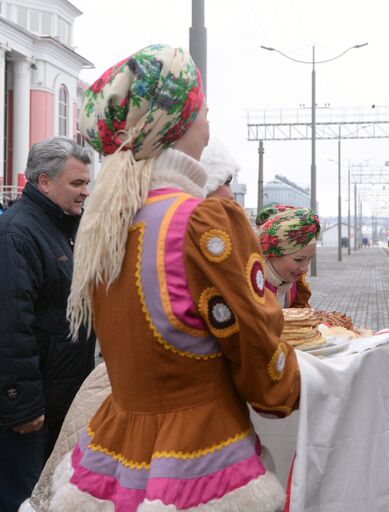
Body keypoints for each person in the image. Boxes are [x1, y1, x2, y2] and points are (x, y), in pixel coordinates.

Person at [47, 44, 299, 511]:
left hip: (117, 452)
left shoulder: (110, 225)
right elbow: (259, 353)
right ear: (178, 125)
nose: (209, 124)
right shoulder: (205, 222)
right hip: (203, 460)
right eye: (203, 111)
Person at [0, 137, 97, 512]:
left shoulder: (59, 228)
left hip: (55, 402)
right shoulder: (17, 234)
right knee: (21, 500)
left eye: (87, 183)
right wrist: (21, 406)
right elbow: (11, 328)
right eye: (77, 184)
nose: (85, 192)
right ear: (43, 182)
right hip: (30, 413)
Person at [256, 205, 320, 308]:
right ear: (272, 254)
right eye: (298, 260)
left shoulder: (296, 284)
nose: (305, 269)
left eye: (309, 259)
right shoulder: (250, 285)